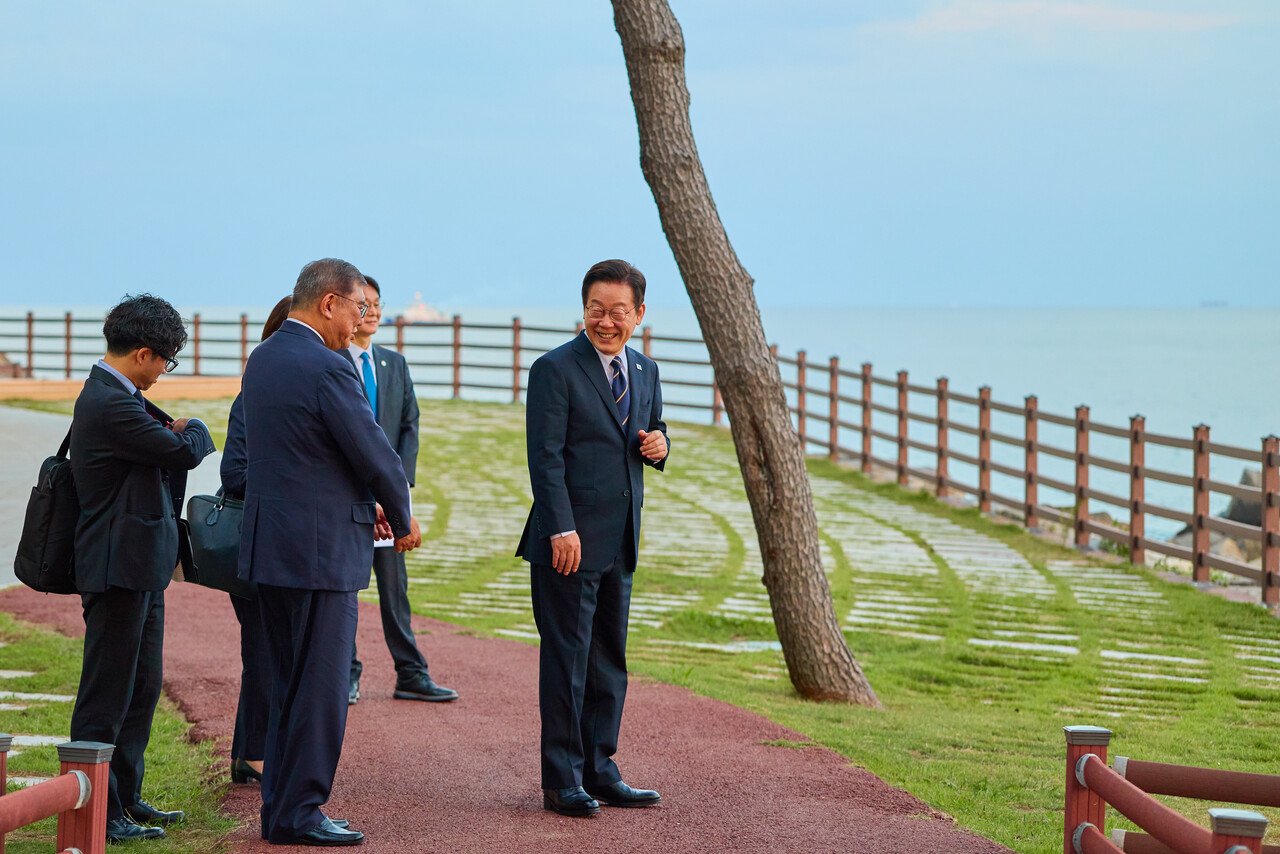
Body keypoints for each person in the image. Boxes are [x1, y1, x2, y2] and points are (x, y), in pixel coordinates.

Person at [238, 258, 421, 847]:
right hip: (320, 556)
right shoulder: (327, 365)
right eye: (355, 308)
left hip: (272, 547)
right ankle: (302, 812)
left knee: (286, 684)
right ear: (328, 304)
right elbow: (371, 451)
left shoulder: (262, 358)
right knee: (319, 689)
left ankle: (280, 810)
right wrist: (401, 511)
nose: (358, 321)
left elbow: (304, 455)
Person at [516, 259, 669, 817]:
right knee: (567, 661)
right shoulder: (554, 369)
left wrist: (660, 447)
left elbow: (654, 429)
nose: (606, 322)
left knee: (609, 662)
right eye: (596, 310)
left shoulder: (646, 370)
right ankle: (562, 780)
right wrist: (561, 527)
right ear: (583, 310)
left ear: (640, 314)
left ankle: (601, 770)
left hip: (620, 540)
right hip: (567, 543)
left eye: (618, 312)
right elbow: (545, 458)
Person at [69, 294, 216, 843]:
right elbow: (184, 451)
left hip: (141, 566)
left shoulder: (121, 397)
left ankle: (125, 798)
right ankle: (97, 809)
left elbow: (167, 446)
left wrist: (178, 433)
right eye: (165, 361)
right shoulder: (110, 403)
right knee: (106, 694)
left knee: (141, 686)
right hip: (115, 567)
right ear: (143, 353)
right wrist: (194, 426)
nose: (162, 372)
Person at [341, 276, 457, 705]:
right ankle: (346, 673)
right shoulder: (332, 360)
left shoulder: (395, 364)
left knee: (395, 589)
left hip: (390, 501)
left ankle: (410, 673)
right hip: (348, 500)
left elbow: (409, 429)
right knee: (346, 589)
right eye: (363, 303)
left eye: (376, 303)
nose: (371, 311)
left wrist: (399, 494)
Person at [219, 295, 294, 786]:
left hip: (294, 545)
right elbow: (233, 473)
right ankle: (255, 755)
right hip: (258, 542)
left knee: (274, 653)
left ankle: (251, 751)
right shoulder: (249, 399)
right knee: (263, 652)